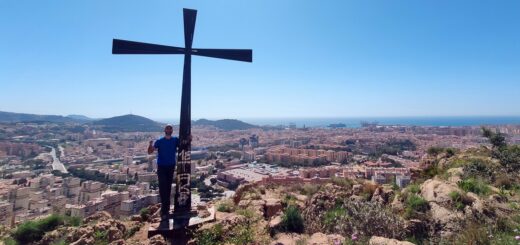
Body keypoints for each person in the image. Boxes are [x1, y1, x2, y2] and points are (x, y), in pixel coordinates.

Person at [148, 124, 180, 220]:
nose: (169, 129)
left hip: (170, 166)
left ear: (172, 130)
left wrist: (190, 139)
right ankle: (164, 208)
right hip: (161, 167)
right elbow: (150, 152)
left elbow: (184, 144)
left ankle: (166, 208)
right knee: (163, 187)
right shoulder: (160, 141)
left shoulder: (175, 140)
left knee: (168, 186)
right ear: (165, 130)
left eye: (170, 128)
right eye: (167, 128)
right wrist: (150, 144)